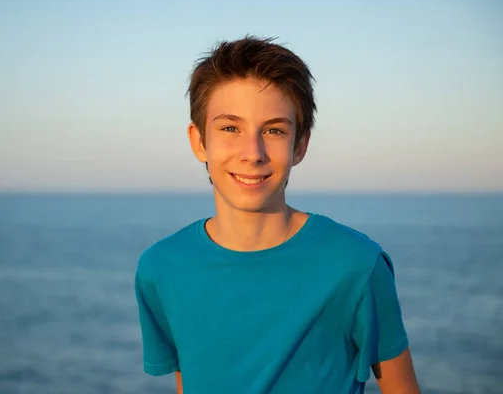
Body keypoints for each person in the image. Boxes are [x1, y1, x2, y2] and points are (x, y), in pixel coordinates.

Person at [134, 35, 421, 394]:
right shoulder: (160, 268)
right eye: (229, 128)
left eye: (273, 130)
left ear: (300, 144)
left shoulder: (357, 265)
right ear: (198, 141)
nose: (252, 152)